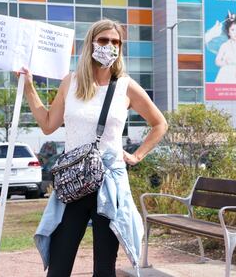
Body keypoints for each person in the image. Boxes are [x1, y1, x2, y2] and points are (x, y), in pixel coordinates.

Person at [20, 19, 167, 277]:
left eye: (115, 42)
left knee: (104, 268)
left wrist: (137, 155)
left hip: (109, 184)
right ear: (90, 43)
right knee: (59, 265)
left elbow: (159, 124)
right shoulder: (71, 82)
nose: (109, 46)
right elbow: (47, 124)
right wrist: (29, 86)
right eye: (103, 40)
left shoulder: (125, 86)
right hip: (74, 182)